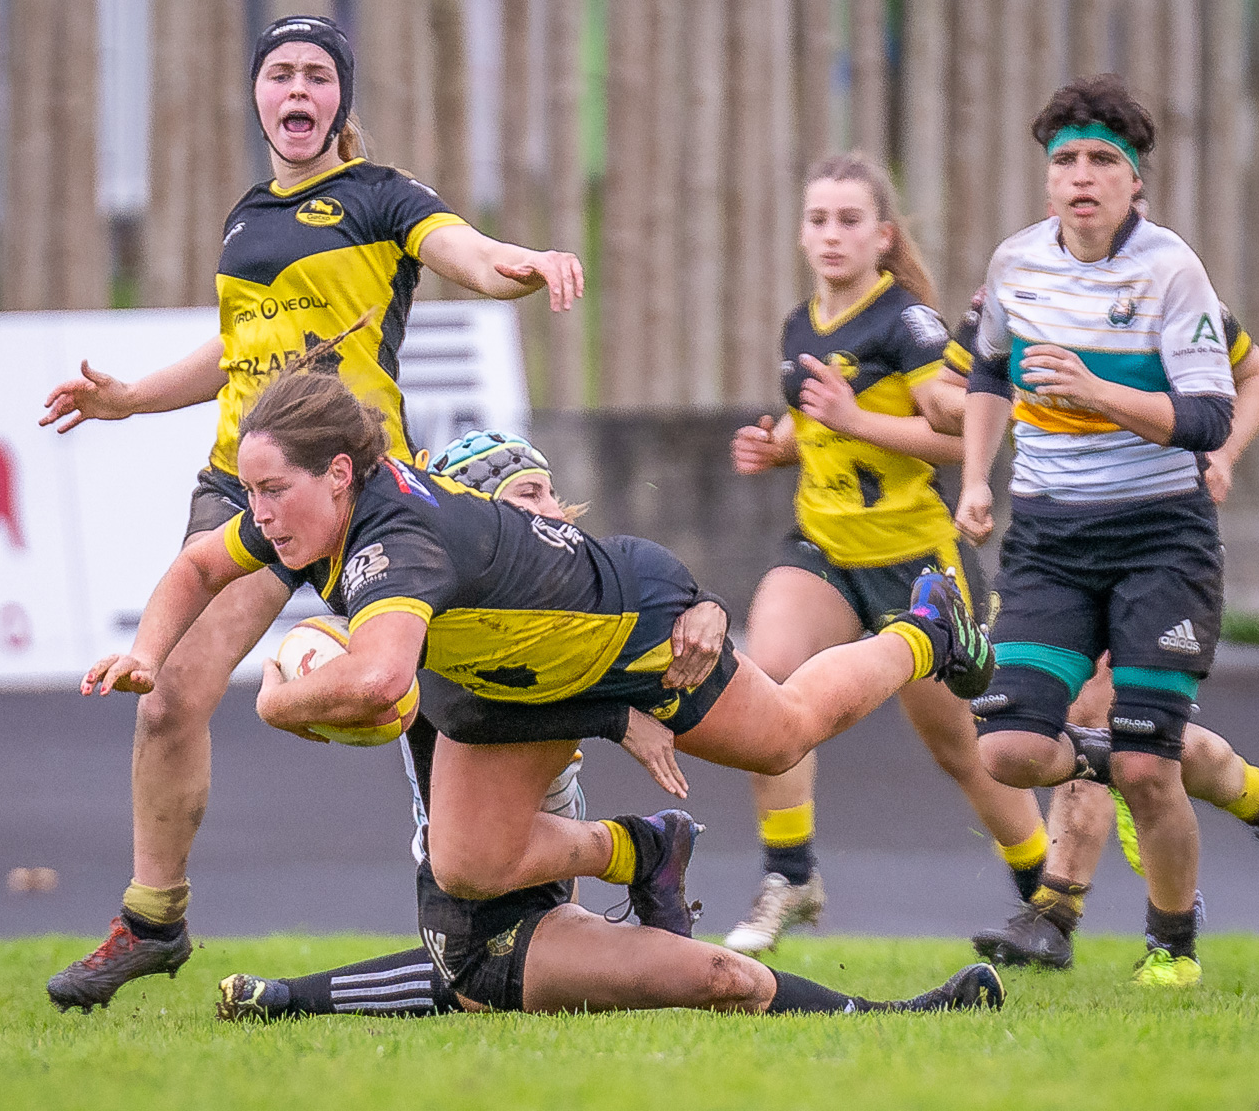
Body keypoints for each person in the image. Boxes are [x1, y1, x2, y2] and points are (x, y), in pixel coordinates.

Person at [84, 344, 998, 1009]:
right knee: (469, 866)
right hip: (514, 680)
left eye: (272, 493)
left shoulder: (394, 546)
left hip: (623, 630)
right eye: (250, 494)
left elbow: (376, 685)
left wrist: (281, 699)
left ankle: (926, 630)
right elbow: (203, 565)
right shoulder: (319, 508)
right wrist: (148, 654)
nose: (259, 516)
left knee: (786, 736)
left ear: (335, 475)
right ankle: (643, 849)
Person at [41, 14, 585, 1013]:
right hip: (245, 484)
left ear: (341, 101)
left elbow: (466, 254)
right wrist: (127, 398)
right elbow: (235, 351)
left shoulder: (380, 199)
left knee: (434, 691)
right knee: (168, 700)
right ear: (258, 95)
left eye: (317, 76)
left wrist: (527, 264)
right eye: (281, 74)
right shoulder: (246, 218)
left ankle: (504, 890)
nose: (298, 91)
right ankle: (153, 921)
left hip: (362, 492)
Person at [953, 73, 1259, 987]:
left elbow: (1208, 415)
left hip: (1160, 538)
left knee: (1151, 772)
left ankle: (1170, 947)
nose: (1082, 175)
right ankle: (1253, 789)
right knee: (1007, 748)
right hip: (1048, 536)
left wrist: (1099, 394)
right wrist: (973, 476)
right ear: (1047, 179)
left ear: (1135, 182)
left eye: (1102, 160)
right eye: (1066, 160)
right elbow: (990, 374)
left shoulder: (1170, 270)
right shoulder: (1015, 265)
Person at [206, 429, 719, 1020]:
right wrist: (616, 718)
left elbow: (645, 598)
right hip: (493, 818)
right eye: (528, 495)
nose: (550, 512)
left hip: (518, 822)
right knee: (483, 975)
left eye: (551, 493)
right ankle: (286, 999)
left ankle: (642, 847)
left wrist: (706, 605)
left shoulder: (553, 586)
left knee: (481, 975)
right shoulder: (439, 596)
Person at [721, 154, 1047, 955]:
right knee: (765, 684)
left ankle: (1047, 899)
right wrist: (781, 445)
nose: (832, 235)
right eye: (819, 220)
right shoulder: (801, 324)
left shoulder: (907, 324)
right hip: (825, 548)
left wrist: (855, 420)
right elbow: (818, 413)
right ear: (802, 233)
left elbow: (950, 428)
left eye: (850, 220)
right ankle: (789, 875)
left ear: (883, 236)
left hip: (916, 563)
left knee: (967, 750)